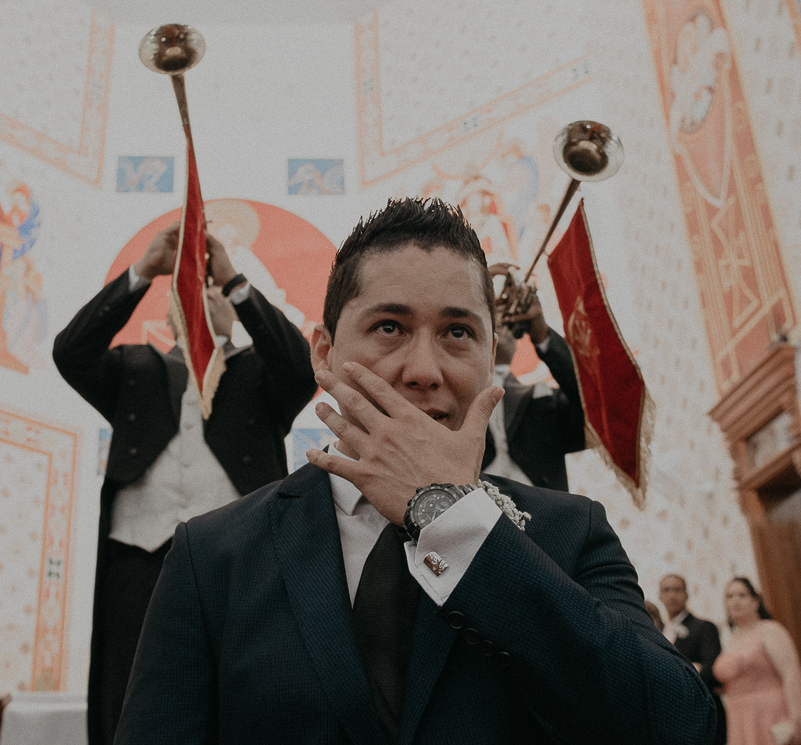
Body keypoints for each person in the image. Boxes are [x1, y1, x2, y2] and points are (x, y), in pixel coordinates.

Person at [115, 197, 714, 744]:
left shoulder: (570, 533)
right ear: (323, 353)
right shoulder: (213, 553)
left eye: (457, 332)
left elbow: (680, 728)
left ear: (488, 359)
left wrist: (456, 521)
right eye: (388, 327)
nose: (423, 369)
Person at [53, 225, 316, 745]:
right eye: (190, 293)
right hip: (137, 560)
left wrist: (233, 282)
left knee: (241, 701)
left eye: (211, 294)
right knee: (132, 698)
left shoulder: (263, 376)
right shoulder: (133, 368)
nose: (201, 298)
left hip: (241, 564)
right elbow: (72, 353)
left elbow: (303, 370)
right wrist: (145, 270)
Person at [483, 263, 585, 492]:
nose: (500, 318)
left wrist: (542, 333)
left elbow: (592, 406)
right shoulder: (448, 393)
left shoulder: (540, 395)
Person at [714, 577, 801, 745]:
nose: (735, 601)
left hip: (768, 712)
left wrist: (796, 719)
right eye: (729, 596)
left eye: (742, 595)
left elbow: (791, 674)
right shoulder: (730, 639)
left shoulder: (770, 630)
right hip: (738, 716)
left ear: (755, 601)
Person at [660, 573, 726, 743]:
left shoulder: (704, 627)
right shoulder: (658, 633)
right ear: (660, 596)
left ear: (687, 595)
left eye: (677, 589)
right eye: (666, 590)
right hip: (672, 717)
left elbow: (711, 670)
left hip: (703, 712)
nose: (672, 595)